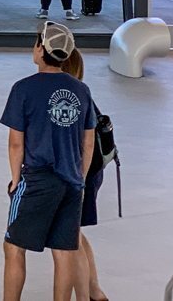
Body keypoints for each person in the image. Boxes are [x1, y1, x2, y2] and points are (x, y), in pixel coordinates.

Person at [0, 21, 96, 301]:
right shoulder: (81, 89)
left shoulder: (23, 89)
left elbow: (16, 142)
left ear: (41, 49)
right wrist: (80, 177)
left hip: (38, 179)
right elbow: (87, 142)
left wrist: (16, 180)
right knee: (64, 250)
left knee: (13, 246)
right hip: (72, 182)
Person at [60, 48, 109, 301]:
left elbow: (83, 144)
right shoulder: (84, 94)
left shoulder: (69, 100)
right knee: (76, 233)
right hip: (91, 172)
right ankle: (94, 292)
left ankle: (84, 297)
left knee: (70, 240)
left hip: (80, 173)